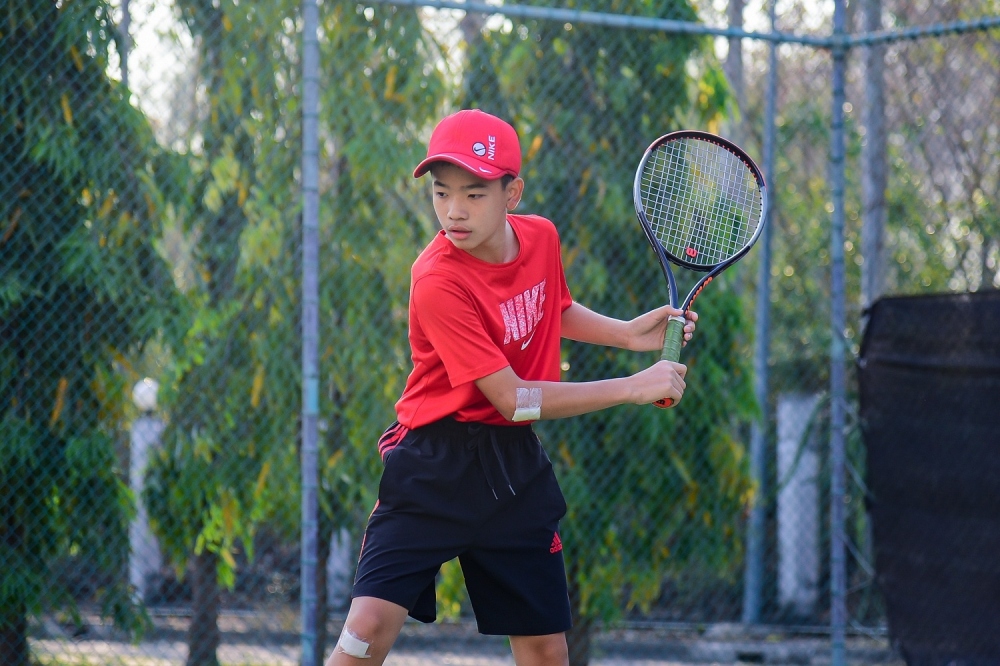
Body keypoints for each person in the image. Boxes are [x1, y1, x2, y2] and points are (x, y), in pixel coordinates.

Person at [326, 109, 697, 666]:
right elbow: (514, 399)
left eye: (474, 194)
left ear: (512, 193)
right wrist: (631, 386)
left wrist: (627, 334)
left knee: (546, 651)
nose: (454, 210)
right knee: (365, 634)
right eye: (441, 193)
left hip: (512, 470)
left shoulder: (541, 237)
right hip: (433, 464)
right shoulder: (437, 280)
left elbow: (552, 307)